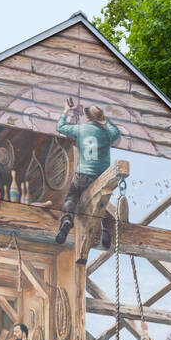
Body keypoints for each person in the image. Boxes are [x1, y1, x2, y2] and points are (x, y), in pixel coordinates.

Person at [54, 103, 121, 245]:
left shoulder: (80, 129)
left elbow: (60, 127)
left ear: (87, 117)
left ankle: (66, 220)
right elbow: (116, 132)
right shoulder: (107, 133)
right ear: (100, 118)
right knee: (101, 201)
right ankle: (105, 230)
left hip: (82, 174)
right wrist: (105, 121)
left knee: (72, 197)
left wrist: (66, 110)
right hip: (100, 177)